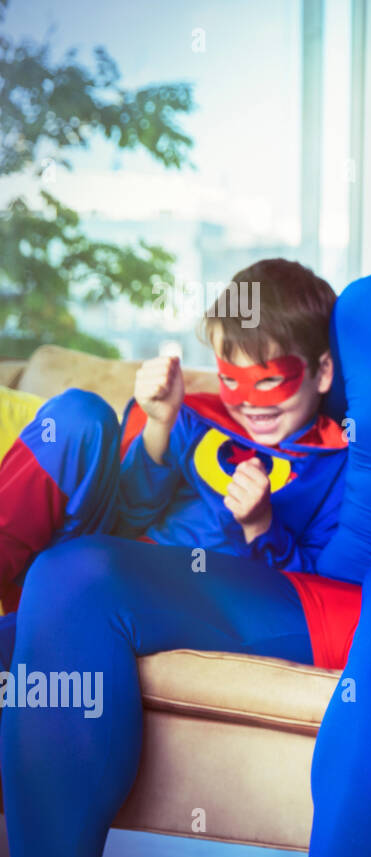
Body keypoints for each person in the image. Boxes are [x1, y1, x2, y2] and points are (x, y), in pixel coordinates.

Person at [1, 73, 371, 857]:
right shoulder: (360, 311)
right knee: (76, 573)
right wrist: (180, 443)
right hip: (327, 596)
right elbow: (294, 429)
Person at [0, 258, 345, 670]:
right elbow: (128, 514)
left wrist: (260, 526)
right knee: (79, 413)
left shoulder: (335, 467)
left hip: (163, 597)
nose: (249, 401)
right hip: (92, 556)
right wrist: (160, 426)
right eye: (231, 378)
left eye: (269, 380)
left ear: (322, 371)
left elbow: (311, 606)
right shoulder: (197, 417)